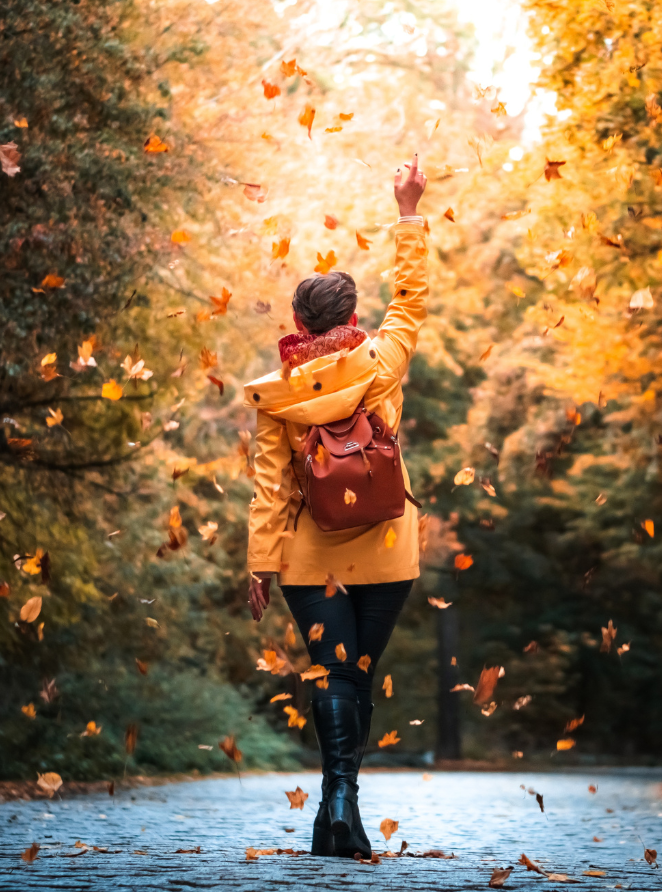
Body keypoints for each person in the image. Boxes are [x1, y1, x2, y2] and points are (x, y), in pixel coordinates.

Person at [242, 155, 428, 858]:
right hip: (387, 549)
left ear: (295, 321)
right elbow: (411, 299)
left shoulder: (277, 396)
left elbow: (272, 488)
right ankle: (340, 803)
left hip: (308, 556)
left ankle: (336, 804)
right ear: (353, 318)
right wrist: (408, 211)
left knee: (334, 672)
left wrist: (261, 565)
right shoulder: (382, 361)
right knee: (356, 675)